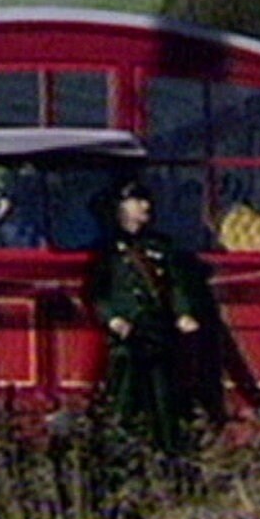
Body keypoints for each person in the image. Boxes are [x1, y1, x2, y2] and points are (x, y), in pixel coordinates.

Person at [89, 181, 205, 459]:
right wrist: (113, 319)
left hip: (159, 335)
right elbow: (97, 294)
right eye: (137, 201)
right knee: (123, 405)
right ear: (121, 207)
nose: (146, 207)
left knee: (164, 404)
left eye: (146, 201)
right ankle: (116, 461)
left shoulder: (161, 247)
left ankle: (169, 459)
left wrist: (183, 313)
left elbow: (176, 286)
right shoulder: (107, 251)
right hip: (128, 341)